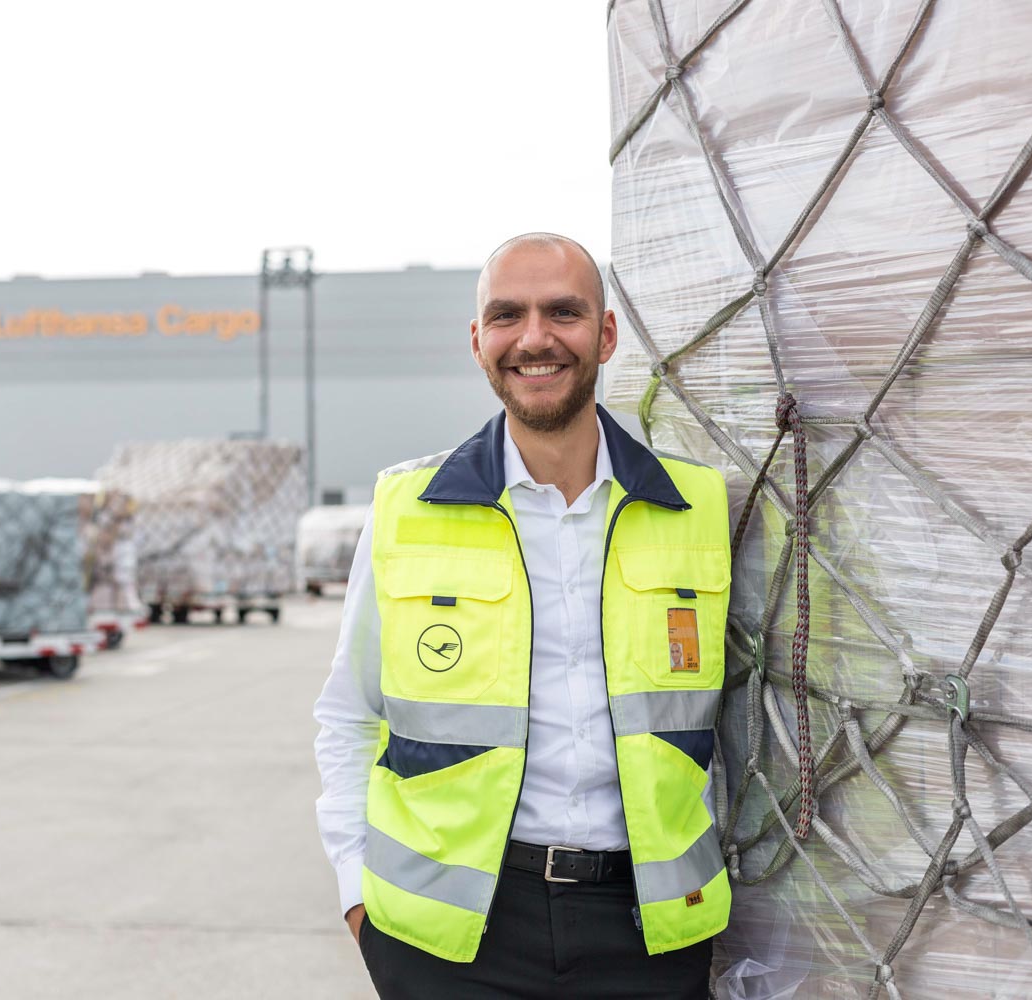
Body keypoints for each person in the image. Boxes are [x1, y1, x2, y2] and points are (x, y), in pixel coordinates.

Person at [313, 233, 730, 998]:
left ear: (604, 335)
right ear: (479, 342)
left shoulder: (698, 507)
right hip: (450, 944)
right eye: (508, 316)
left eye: (563, 312)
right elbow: (349, 715)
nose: (535, 338)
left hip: (647, 935)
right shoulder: (405, 508)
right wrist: (357, 898)